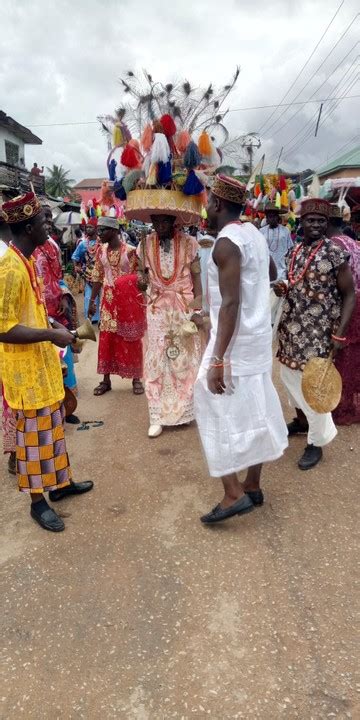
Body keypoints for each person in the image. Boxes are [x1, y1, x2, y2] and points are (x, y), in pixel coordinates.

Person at [194, 175, 288, 524]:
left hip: (234, 345)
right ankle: (252, 484)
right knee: (255, 406)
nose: (205, 205)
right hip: (258, 341)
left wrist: (217, 357)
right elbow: (272, 272)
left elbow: (230, 304)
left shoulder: (226, 243)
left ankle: (233, 494)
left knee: (207, 403)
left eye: (207, 200)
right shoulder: (254, 234)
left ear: (218, 204)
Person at [0, 192, 93, 532]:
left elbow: (33, 309)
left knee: (53, 428)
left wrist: (53, 325)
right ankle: (37, 503)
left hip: (42, 366)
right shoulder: (9, 269)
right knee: (33, 439)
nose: (48, 228)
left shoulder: (28, 260)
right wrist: (51, 336)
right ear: (26, 228)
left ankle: (61, 484)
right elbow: (3, 328)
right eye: (42, 223)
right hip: (25, 373)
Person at [275, 198, 355, 469]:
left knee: (313, 386)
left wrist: (340, 334)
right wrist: (283, 287)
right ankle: (300, 421)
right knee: (289, 378)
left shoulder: (334, 253)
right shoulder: (294, 251)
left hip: (319, 333)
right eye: (311, 220)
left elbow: (350, 294)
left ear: (327, 223)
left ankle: (317, 442)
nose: (317, 225)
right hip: (290, 331)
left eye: (321, 221)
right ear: (302, 222)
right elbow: (295, 282)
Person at [137, 214, 202, 438]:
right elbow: (140, 279)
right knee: (156, 356)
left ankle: (184, 409)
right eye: (155, 222)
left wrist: (198, 308)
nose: (159, 226)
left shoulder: (190, 244)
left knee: (182, 356)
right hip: (156, 307)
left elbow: (197, 280)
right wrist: (140, 279)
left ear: (174, 221)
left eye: (165, 222)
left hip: (183, 306)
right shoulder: (144, 244)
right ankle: (157, 415)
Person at [88, 216, 145, 396]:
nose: (99, 234)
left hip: (127, 303)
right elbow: (97, 276)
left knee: (131, 338)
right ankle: (106, 380)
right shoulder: (100, 251)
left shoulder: (130, 251)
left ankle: (136, 378)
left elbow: (140, 279)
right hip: (108, 302)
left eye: (102, 230)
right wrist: (92, 301)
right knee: (107, 337)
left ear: (113, 231)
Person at [327, 206, 360, 425]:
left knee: (342, 355)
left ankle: (342, 406)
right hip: (359, 301)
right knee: (354, 355)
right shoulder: (354, 243)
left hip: (345, 303)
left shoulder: (334, 246)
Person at [71, 219, 100, 322]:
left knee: (102, 296)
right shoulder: (83, 244)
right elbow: (75, 256)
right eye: (87, 227)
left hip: (102, 275)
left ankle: (102, 317)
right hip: (89, 275)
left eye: (90, 227)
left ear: (96, 229)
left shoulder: (101, 243)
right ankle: (92, 318)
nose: (88, 229)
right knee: (89, 296)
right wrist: (76, 267)